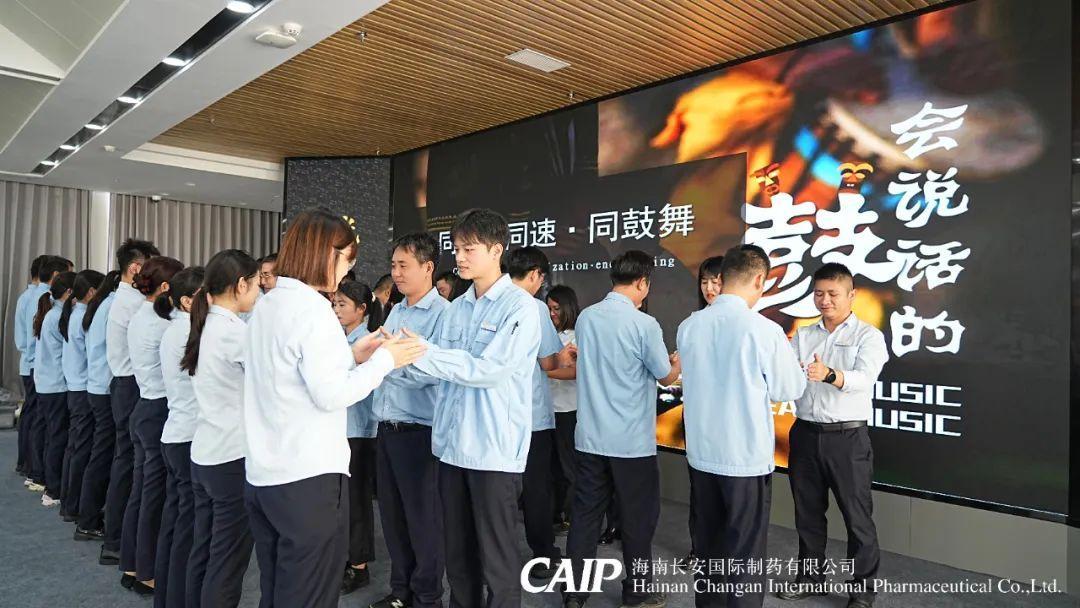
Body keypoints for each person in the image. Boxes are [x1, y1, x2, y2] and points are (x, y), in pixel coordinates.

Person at [243, 209, 425, 608]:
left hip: (265, 474)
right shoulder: (313, 310)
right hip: (306, 478)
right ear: (325, 253)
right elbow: (331, 394)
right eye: (346, 259)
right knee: (309, 594)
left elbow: (291, 373)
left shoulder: (268, 305)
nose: (346, 271)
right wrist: (385, 360)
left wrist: (352, 355)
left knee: (277, 589)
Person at [404, 208, 541, 608]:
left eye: (469, 249)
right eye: (457, 248)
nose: (459, 257)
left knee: (497, 561)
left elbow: (490, 371)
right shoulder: (457, 308)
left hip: (493, 452)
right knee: (459, 558)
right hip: (450, 449)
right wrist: (399, 356)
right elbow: (440, 371)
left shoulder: (520, 308)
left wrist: (425, 353)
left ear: (497, 250)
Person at [677, 245, 806, 608]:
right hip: (744, 459)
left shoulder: (690, 326)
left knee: (709, 548)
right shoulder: (764, 330)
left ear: (722, 278)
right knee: (744, 555)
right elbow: (787, 389)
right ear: (760, 279)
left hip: (702, 455)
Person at [564, 250, 680, 608]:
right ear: (642, 282)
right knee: (637, 520)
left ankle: (574, 593)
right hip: (631, 444)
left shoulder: (587, 317)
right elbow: (666, 376)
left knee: (585, 517)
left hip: (590, 438)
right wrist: (677, 363)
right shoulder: (644, 324)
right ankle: (637, 591)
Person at [777, 263, 888, 608]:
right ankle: (810, 579)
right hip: (805, 434)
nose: (825, 300)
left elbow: (864, 379)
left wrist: (829, 375)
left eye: (833, 294)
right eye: (819, 294)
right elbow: (788, 376)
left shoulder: (868, 336)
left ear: (851, 295)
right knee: (807, 514)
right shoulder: (803, 335)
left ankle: (862, 592)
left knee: (857, 519)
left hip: (847, 439)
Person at [369, 232, 449, 608]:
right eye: (393, 265)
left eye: (404, 265)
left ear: (428, 267)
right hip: (387, 428)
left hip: (419, 432)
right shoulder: (397, 310)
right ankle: (401, 591)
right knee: (393, 517)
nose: (396, 273)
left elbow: (432, 373)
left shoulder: (443, 315)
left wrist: (384, 365)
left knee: (423, 520)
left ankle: (427, 597)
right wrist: (385, 361)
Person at [181, 249, 260, 608]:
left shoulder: (207, 325)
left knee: (205, 550)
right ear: (241, 285)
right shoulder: (235, 334)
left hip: (206, 453)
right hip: (231, 458)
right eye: (257, 285)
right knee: (227, 563)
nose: (258, 293)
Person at [122, 255, 184, 594]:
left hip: (145, 406)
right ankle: (147, 572)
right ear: (164, 287)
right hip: (158, 409)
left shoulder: (142, 315)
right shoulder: (164, 323)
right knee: (154, 496)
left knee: (142, 491)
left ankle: (133, 565)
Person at [505, 246, 564, 579]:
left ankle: (497, 554)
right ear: (535, 275)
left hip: (499, 415)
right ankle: (543, 555)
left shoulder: (492, 301)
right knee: (536, 489)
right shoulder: (534, 307)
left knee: (500, 491)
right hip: (531, 417)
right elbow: (548, 361)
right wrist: (563, 357)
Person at [102, 238, 161, 567]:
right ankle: (116, 541)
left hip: (126, 385)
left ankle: (117, 539)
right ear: (136, 268)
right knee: (129, 465)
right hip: (130, 386)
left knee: (127, 462)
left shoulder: (125, 298)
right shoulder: (133, 303)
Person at [154, 266, 204, 608]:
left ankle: (168, 598)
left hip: (176, 433)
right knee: (186, 530)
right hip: (187, 437)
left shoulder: (177, 327)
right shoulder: (189, 332)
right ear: (187, 302)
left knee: (175, 526)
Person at [333, 280, 383, 595]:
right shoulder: (337, 338)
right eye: (334, 304)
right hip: (339, 430)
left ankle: (359, 565)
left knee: (356, 501)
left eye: (342, 305)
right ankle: (344, 558)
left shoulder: (368, 342)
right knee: (340, 501)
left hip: (360, 431)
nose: (336, 310)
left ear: (362, 309)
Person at [76, 270, 121, 541]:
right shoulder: (112, 305)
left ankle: (89, 515)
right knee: (102, 456)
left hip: (97, 386)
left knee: (100, 453)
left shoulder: (101, 304)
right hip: (104, 388)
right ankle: (88, 520)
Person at [685, 254, 724, 562]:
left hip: (731, 427)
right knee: (700, 492)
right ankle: (699, 550)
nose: (709, 289)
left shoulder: (747, 324)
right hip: (699, 422)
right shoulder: (692, 324)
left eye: (716, 282)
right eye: (705, 282)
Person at [59, 269, 105, 523]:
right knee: (82, 449)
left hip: (74, 387)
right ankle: (74, 505)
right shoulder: (83, 318)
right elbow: (92, 356)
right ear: (91, 292)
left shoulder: (75, 313)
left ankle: (69, 502)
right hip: (82, 388)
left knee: (75, 446)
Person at [32, 270, 76, 508]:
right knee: (58, 437)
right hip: (56, 385)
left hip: (47, 384)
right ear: (69, 293)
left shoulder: (51, 313)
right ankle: (53, 488)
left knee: (54, 435)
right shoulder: (58, 316)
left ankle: (52, 485)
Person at [14, 254, 53, 479]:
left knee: (30, 415)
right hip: (34, 365)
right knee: (37, 418)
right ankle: (32, 465)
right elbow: (33, 338)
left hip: (29, 364)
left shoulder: (26, 296)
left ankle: (26, 462)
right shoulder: (40, 298)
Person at [545, 285, 580, 533]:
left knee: (570, 468)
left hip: (568, 410)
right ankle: (555, 514)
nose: (552, 313)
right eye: (549, 308)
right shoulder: (546, 334)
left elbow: (576, 372)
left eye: (556, 308)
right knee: (552, 469)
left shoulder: (577, 336)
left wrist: (542, 372)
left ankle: (572, 516)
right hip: (546, 411)